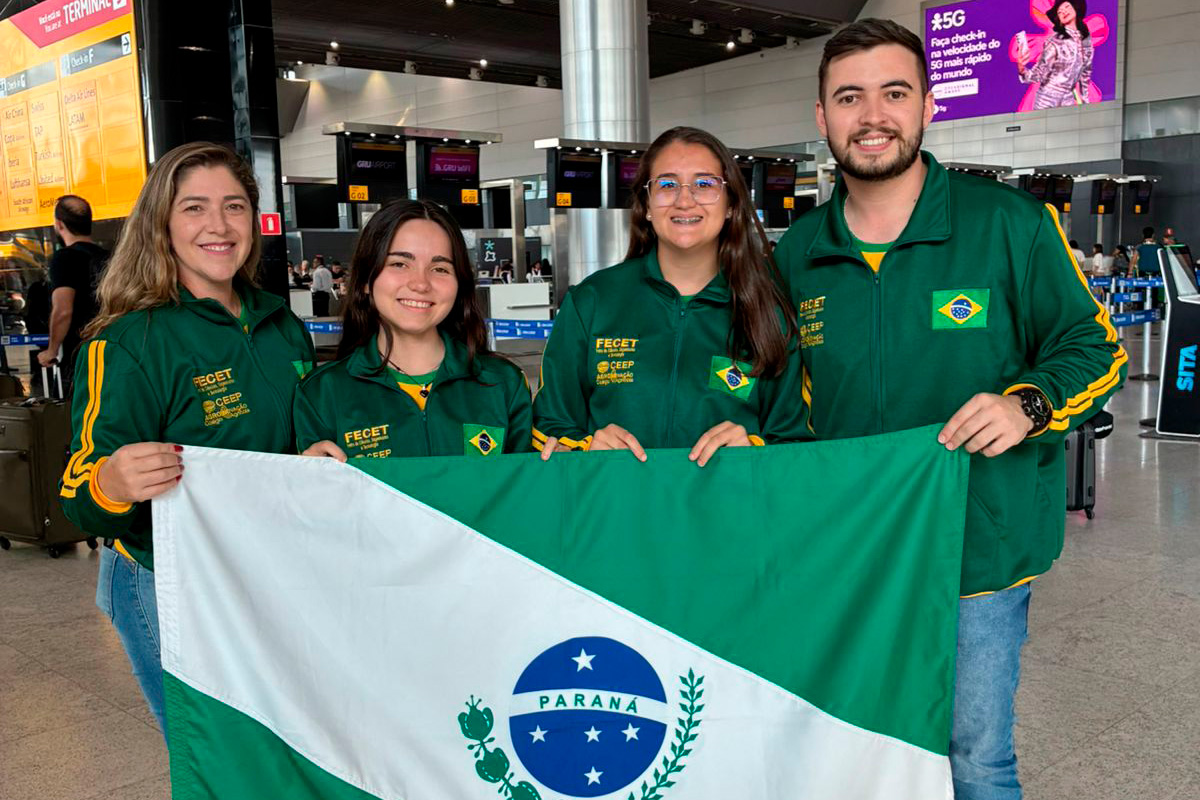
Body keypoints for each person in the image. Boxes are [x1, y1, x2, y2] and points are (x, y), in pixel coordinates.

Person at [773, 19, 1126, 799]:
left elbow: (1096, 347)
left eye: (894, 93)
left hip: (977, 554)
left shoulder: (1008, 224)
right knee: (855, 751)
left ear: (928, 106)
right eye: (850, 97)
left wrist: (1030, 403)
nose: (873, 115)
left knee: (975, 758)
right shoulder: (797, 254)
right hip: (851, 555)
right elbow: (780, 401)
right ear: (822, 117)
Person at [58, 142, 315, 737]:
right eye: (194, 208)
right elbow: (76, 493)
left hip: (266, 569)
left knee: (275, 750)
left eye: (233, 206)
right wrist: (112, 482)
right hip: (166, 582)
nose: (218, 226)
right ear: (161, 225)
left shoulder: (281, 324)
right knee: (214, 755)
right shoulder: (128, 342)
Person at [534, 125, 809, 465]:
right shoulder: (591, 302)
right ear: (647, 206)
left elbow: (795, 443)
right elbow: (547, 426)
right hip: (615, 498)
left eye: (705, 184)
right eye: (667, 185)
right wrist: (585, 447)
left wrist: (752, 448)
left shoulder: (769, 311)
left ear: (730, 205)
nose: (684, 200)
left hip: (728, 499)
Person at [294, 199, 531, 461]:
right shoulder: (322, 393)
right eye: (399, 264)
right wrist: (307, 478)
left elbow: (528, 482)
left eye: (440, 268)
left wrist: (560, 460)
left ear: (459, 285)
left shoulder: (503, 383)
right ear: (365, 281)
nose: (420, 284)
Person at [37, 195, 109, 394]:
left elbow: (63, 310)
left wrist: (51, 350)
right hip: (111, 352)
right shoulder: (109, 257)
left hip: (81, 357)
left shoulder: (65, 258)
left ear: (59, 225)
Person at [1016, 0, 1094, 109]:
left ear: (1076, 7)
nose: (1063, 11)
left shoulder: (1086, 41)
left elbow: (1085, 73)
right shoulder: (1054, 42)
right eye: (1059, 12)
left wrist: (1086, 102)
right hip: (1046, 99)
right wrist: (1022, 69)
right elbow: (1039, 73)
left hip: (1068, 100)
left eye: (1067, 6)